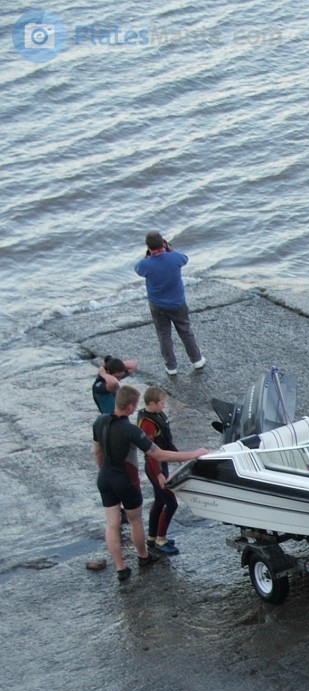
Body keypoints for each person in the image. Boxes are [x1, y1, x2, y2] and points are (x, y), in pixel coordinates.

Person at [93, 384, 208, 582]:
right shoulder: (130, 430)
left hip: (104, 478)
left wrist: (103, 471)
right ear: (130, 407)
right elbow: (158, 454)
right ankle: (143, 556)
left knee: (111, 525)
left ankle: (120, 568)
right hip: (125, 480)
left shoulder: (100, 421)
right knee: (135, 521)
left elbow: (97, 451)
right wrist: (193, 454)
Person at [133, 231, 206, 376]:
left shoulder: (145, 264)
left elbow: (138, 269)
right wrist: (170, 249)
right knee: (185, 331)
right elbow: (185, 258)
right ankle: (196, 359)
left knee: (163, 334)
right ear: (164, 244)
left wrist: (147, 256)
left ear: (148, 246)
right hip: (177, 303)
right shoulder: (175, 258)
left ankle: (171, 366)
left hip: (157, 304)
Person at [137, 386, 182, 555]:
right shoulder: (148, 423)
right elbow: (150, 454)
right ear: (152, 403)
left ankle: (152, 537)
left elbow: (167, 442)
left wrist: (179, 457)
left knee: (160, 501)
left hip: (161, 463)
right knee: (171, 502)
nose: (164, 406)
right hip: (154, 466)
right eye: (162, 403)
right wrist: (159, 474)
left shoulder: (157, 416)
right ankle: (161, 540)